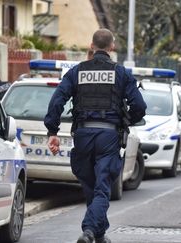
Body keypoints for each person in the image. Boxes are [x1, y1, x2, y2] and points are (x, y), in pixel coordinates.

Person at [44, 29, 146, 243]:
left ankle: (98, 234)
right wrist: (126, 120)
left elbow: (56, 101)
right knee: (101, 188)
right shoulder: (122, 73)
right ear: (112, 47)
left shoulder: (76, 72)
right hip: (108, 136)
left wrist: (52, 131)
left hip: (82, 135)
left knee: (92, 186)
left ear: (91, 46)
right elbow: (139, 106)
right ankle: (90, 231)